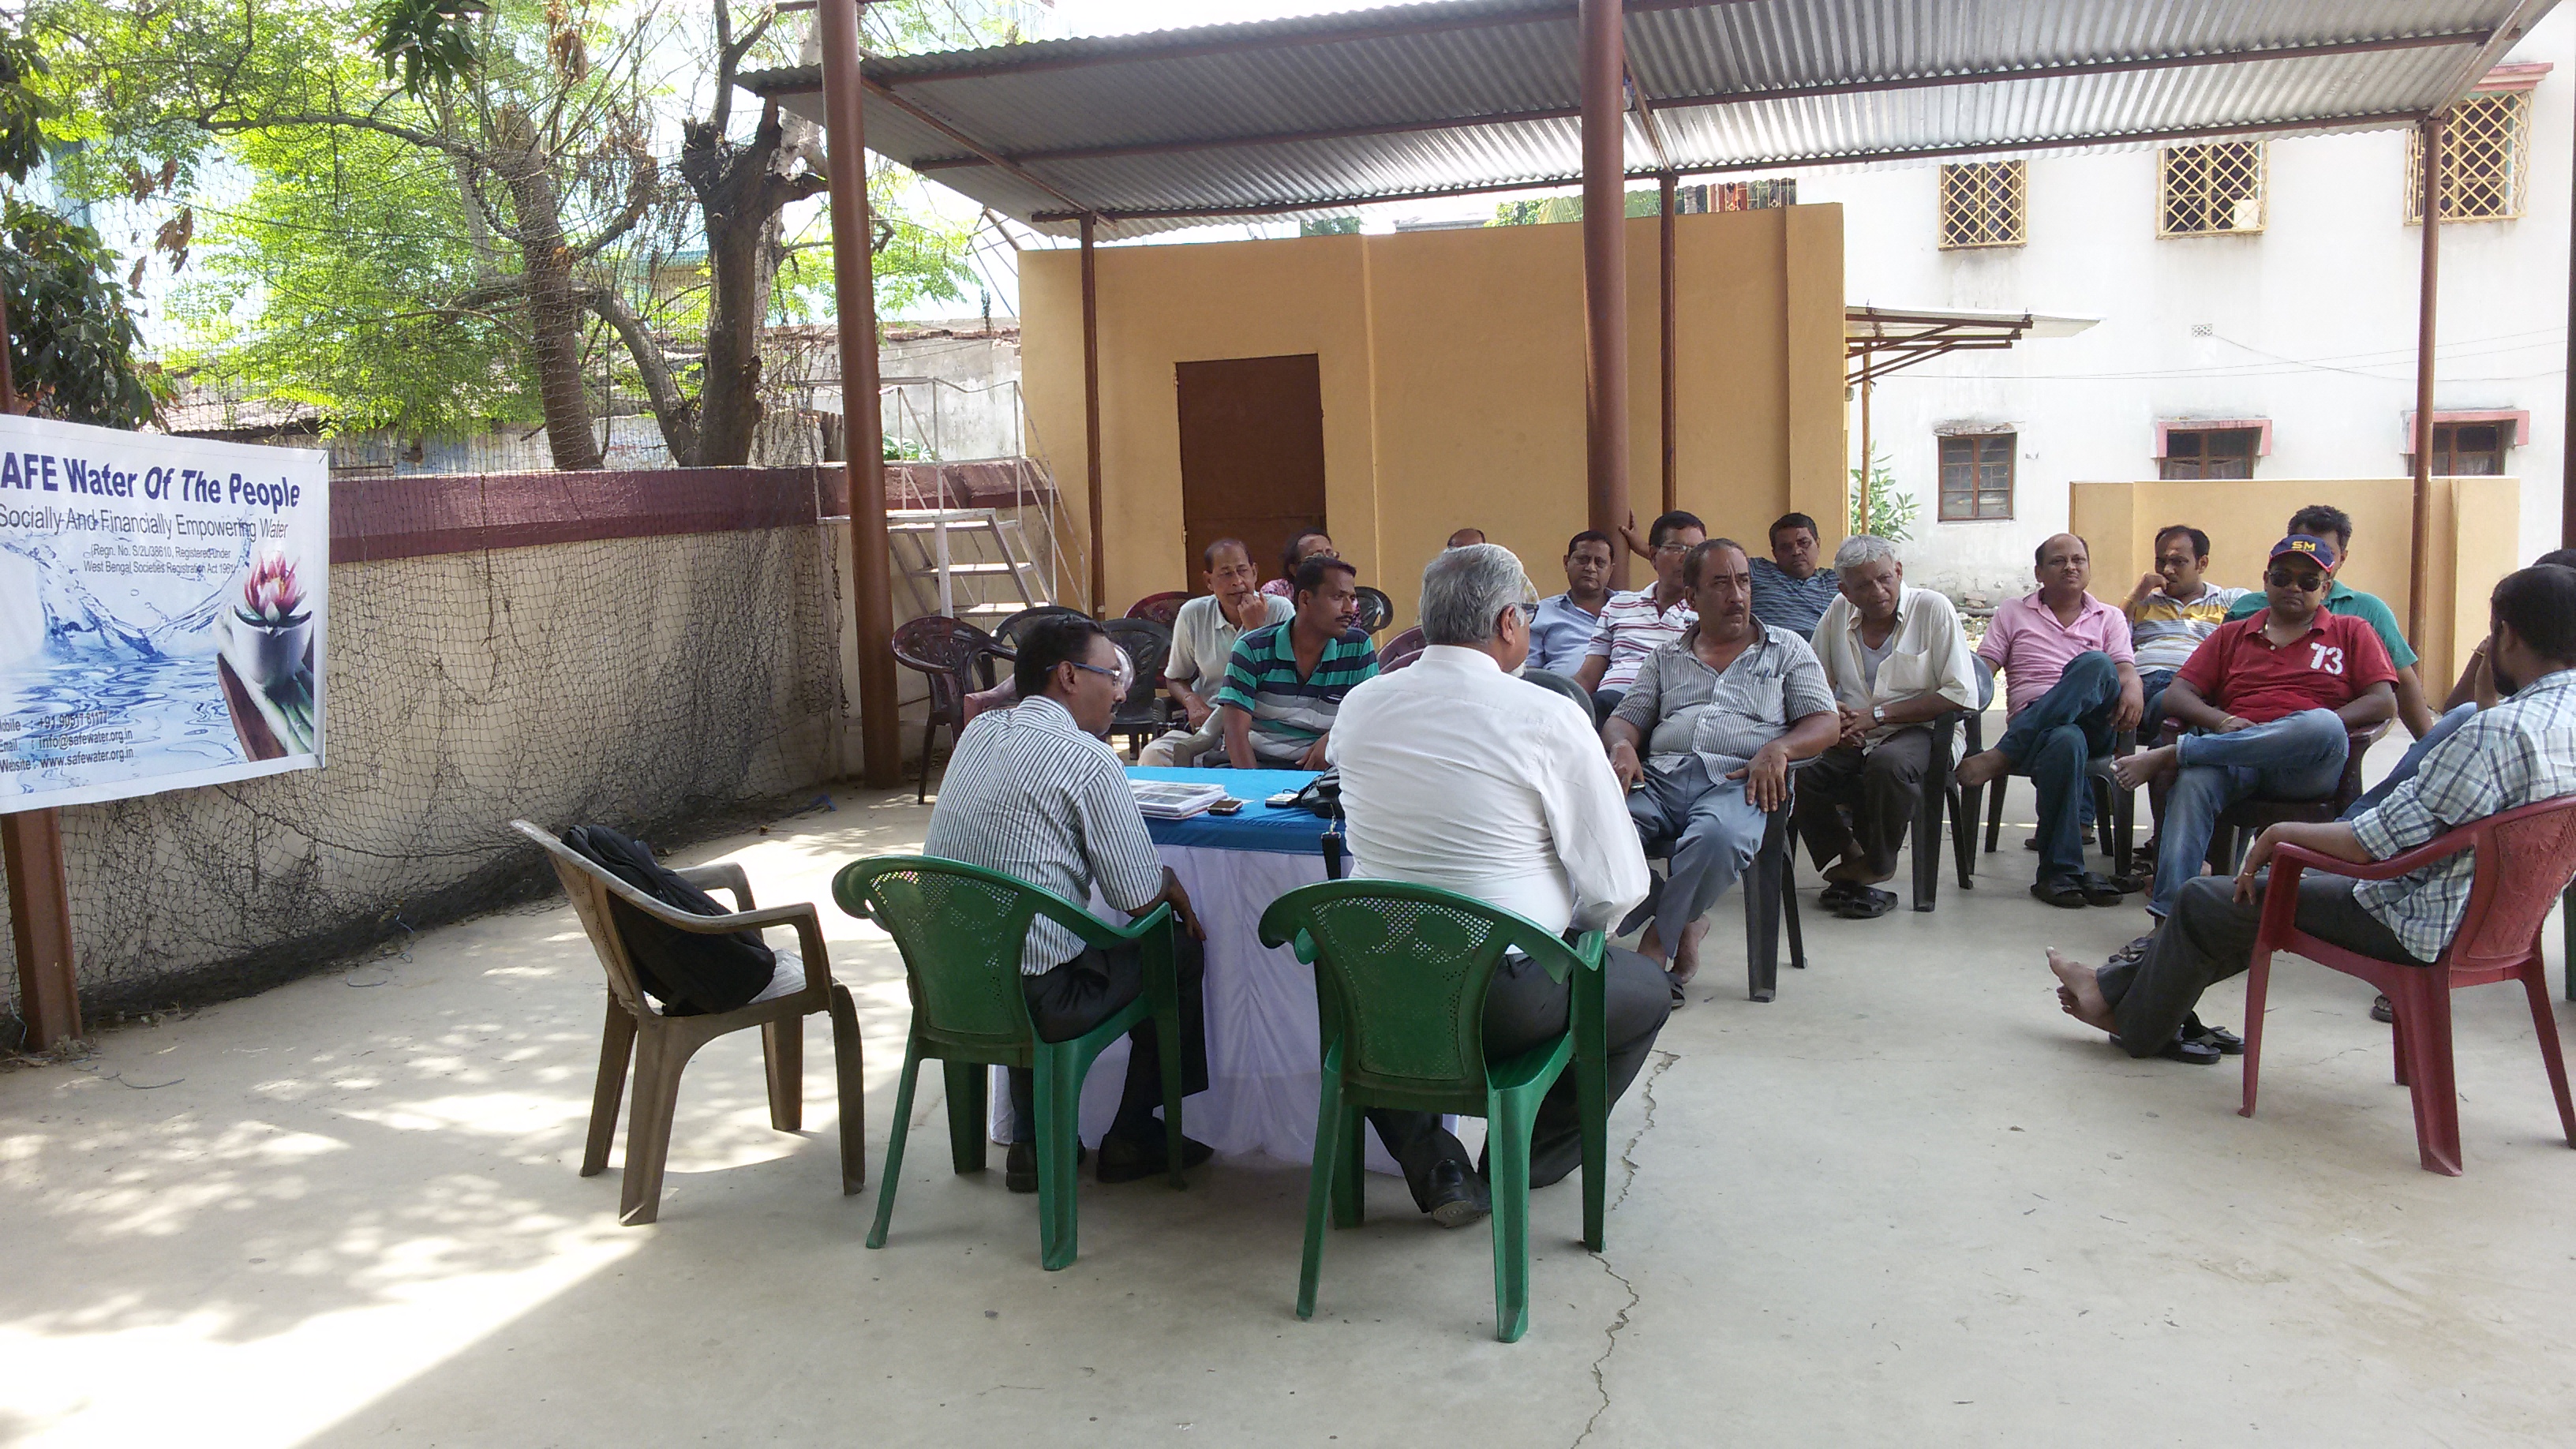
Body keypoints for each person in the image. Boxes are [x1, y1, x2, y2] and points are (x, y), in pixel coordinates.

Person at [2049, 564, 2576, 1065]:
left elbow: (2373, 846)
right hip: (2500, 919)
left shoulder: (2486, 725)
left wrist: (2281, 834)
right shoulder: (2537, 718)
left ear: (2505, 636)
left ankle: (2126, 1013)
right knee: (2242, 897)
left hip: (2412, 914)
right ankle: (2119, 994)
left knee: (2210, 896)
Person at [1327, 543, 1670, 1228]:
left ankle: (1436, 1162)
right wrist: (1575, 928)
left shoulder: (1362, 704)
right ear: (1511, 621)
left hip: (1372, 985)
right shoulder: (1544, 714)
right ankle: (1523, 1159)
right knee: (1644, 991)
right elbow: (1618, 885)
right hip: (1500, 998)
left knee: (1392, 986)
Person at [923, 615, 1214, 1190]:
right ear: (1067, 677)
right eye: (1111, 674)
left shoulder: (978, 734)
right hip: (1039, 1001)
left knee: (1022, 940)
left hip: (946, 988)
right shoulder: (1089, 759)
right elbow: (1134, 898)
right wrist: (1170, 881)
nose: (1123, 691)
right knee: (1174, 951)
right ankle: (1133, 1132)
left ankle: (1032, 1142)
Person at [2110, 535, 2398, 950]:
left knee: (2319, 724)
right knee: (2192, 785)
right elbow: (2178, 695)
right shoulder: (2232, 635)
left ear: (2327, 588)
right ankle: (2169, 925)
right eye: (2283, 577)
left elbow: (2382, 701)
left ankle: (2178, 752)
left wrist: (2309, 730)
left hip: (2307, 766)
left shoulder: (2351, 631)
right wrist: (2222, 719)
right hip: (2236, 758)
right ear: (2266, 580)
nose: (2294, 587)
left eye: (2309, 580)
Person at [1605, 538, 1839, 994]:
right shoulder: (1666, 656)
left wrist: (1782, 749)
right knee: (1598, 829)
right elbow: (1623, 719)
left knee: (1718, 837)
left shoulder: (1785, 648)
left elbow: (1826, 721)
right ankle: (1685, 916)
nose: (1737, 595)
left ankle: (1656, 945)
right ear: (1691, 598)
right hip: (1660, 779)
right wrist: (1622, 747)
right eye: (1720, 583)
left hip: (1741, 781)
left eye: (1744, 581)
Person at [1953, 534, 2146, 909]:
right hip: (2042, 727)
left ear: (2089, 567)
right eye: (2058, 561)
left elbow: (2122, 668)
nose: (2070, 567)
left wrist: (2134, 686)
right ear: (2039, 572)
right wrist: (1958, 696)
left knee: (2095, 664)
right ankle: (2060, 873)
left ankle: (2005, 754)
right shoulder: (2012, 612)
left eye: (2078, 560)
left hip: (2097, 725)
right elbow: (1983, 669)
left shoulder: (2110, 616)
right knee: (2064, 739)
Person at [1793, 534, 1979, 919]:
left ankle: (1879, 863)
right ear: (1845, 589)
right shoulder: (1838, 611)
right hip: (1857, 732)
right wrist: (1836, 717)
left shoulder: (1932, 609)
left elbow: (1959, 694)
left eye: (1883, 579)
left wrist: (1877, 716)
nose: (1877, 591)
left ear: (1898, 571)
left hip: (1924, 731)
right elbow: (1813, 681)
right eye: (1863, 585)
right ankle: (1851, 853)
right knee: (1798, 765)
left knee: (1888, 763)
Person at [2224, 504, 2434, 738]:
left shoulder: (2366, 612)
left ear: (2342, 558)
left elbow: (2402, 685)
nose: (2312, 556)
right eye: (2305, 548)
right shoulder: (2246, 609)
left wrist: (2428, 747)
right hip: (2243, 726)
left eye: (2326, 551)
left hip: (2322, 737)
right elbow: (2210, 676)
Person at [1138, 537, 1294, 767]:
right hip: (1210, 727)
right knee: (1155, 754)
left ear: (1254, 572)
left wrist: (1256, 631)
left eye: (1242, 571)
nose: (1237, 582)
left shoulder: (1279, 610)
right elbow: (1175, 677)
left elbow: (1282, 679)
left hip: (1263, 729)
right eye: (1226, 574)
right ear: (1209, 580)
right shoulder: (1193, 614)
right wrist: (1192, 701)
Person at [1216, 554, 1379, 769]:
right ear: (1305, 599)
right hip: (1261, 764)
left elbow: (1369, 718)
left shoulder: (1357, 647)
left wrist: (1334, 737)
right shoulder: (1252, 649)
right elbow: (1236, 736)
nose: (1350, 609)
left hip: (1330, 768)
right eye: (1338, 597)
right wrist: (1256, 790)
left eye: (1352, 598)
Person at [2122, 524, 2250, 740]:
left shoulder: (2230, 600)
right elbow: (2111, 638)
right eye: (2160, 561)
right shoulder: (2143, 602)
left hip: (2197, 686)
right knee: (2173, 706)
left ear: (2202, 564)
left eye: (2178, 562)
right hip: (2145, 684)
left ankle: (2167, 750)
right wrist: (2134, 596)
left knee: (2177, 714)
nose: (2167, 570)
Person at [1574, 510, 1704, 717]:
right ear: (1653, 555)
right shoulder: (1619, 605)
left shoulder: (1708, 613)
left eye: (1696, 551)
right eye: (1677, 548)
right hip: (1612, 702)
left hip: (1672, 709)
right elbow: (1588, 677)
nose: (1687, 558)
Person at [1529, 530, 1617, 675]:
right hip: (1563, 694)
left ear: (1611, 570)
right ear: (1566, 563)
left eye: (1600, 563)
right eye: (1583, 560)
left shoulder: (1632, 605)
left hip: (1624, 693)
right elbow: (1530, 671)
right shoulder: (1541, 612)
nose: (1590, 568)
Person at [1749, 512, 1842, 636]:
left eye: (1803, 543)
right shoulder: (1757, 570)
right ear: (1774, 553)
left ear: (1818, 544)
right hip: (1771, 649)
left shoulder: (1838, 580)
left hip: (1821, 650)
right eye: (1785, 547)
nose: (1796, 551)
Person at [1261, 527, 1337, 599]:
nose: (1327, 562)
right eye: (1317, 556)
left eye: (1330, 554)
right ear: (1294, 569)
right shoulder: (1275, 591)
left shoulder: (1342, 588)